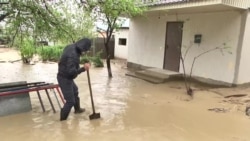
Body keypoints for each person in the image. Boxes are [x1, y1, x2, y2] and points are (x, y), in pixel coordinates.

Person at [57, 38, 91, 121]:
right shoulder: (73, 55)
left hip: (64, 75)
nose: (85, 52)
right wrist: (84, 68)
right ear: (82, 48)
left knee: (75, 91)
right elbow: (71, 73)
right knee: (70, 101)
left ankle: (77, 110)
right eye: (85, 50)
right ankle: (62, 121)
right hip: (65, 78)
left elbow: (66, 62)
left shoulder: (71, 47)